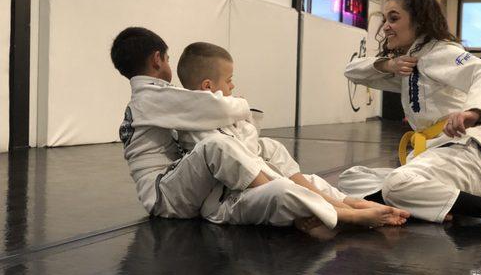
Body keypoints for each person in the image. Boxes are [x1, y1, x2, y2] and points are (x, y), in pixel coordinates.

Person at [110, 28, 406, 239]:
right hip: (166, 196)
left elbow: (219, 117)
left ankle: (341, 201)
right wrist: (240, 106)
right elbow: (219, 109)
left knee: (268, 147)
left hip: (180, 185)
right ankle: (343, 213)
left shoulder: (155, 98)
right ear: (157, 59)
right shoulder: (151, 98)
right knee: (217, 146)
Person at [337, 0, 481, 230]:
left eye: (394, 18)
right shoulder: (410, 62)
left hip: (463, 157)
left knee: (397, 183)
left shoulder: (440, 52)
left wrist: (472, 112)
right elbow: (351, 71)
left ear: (418, 20)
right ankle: (431, 207)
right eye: (385, 19)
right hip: (434, 157)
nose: (386, 26)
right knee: (351, 178)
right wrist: (389, 65)